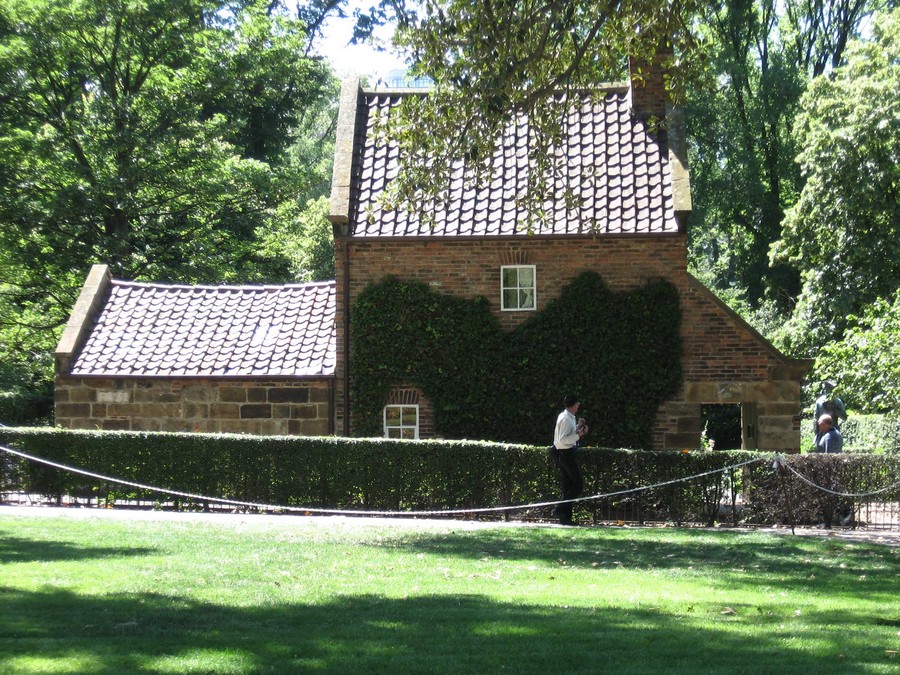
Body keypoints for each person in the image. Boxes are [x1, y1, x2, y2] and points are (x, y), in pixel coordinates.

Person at [550, 394, 588, 525]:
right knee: (578, 485)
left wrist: (578, 427)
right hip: (565, 453)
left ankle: (565, 518)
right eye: (577, 404)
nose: (579, 406)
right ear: (574, 404)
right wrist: (579, 435)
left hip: (564, 452)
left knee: (568, 486)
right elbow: (562, 440)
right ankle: (559, 509)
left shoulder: (568, 416)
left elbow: (567, 434)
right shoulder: (566, 418)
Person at [813, 380, 847, 446]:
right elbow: (815, 420)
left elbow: (844, 417)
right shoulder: (819, 402)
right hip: (822, 434)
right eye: (826, 389)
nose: (827, 391)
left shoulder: (837, 401)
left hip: (834, 433)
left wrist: (834, 409)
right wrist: (816, 434)